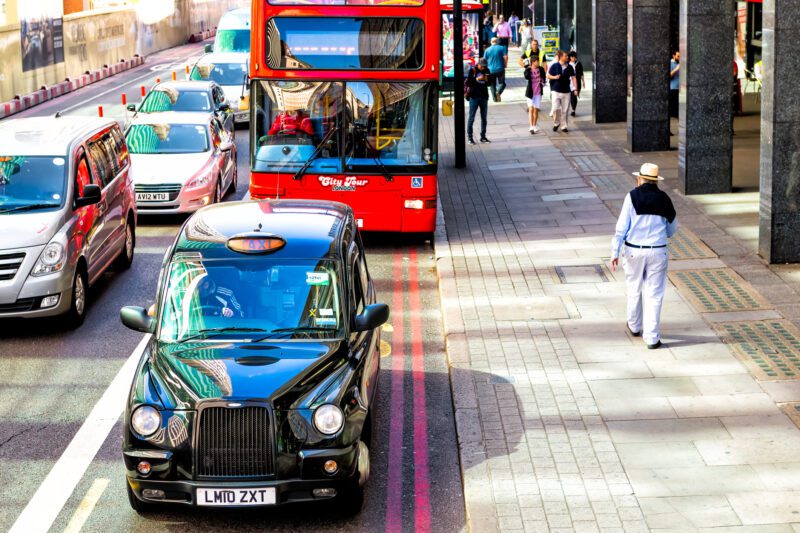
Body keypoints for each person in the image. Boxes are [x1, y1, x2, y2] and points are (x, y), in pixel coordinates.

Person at [610, 163, 677, 350]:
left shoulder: (631, 197)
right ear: (656, 181)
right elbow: (672, 228)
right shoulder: (665, 199)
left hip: (634, 251)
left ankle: (634, 325)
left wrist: (615, 251)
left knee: (634, 288)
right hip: (658, 250)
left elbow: (622, 227)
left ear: (639, 179)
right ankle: (652, 337)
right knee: (655, 294)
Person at [546, 50, 577, 132]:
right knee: (555, 108)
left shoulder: (569, 67)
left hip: (566, 91)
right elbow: (548, 75)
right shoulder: (554, 65)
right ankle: (556, 123)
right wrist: (555, 77)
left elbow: (574, 78)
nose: (567, 57)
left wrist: (575, 89)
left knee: (565, 110)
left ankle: (564, 126)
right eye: (565, 56)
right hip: (556, 90)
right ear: (560, 57)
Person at [465, 58, 491, 145]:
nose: (483, 68)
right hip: (474, 97)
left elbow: (489, 83)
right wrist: (477, 79)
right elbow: (468, 83)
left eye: (484, 66)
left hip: (484, 97)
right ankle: (470, 137)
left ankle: (483, 137)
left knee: (484, 118)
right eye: (482, 66)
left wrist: (487, 80)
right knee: (471, 118)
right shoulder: (472, 70)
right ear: (478, 64)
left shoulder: (487, 70)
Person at [523, 55, 545, 134]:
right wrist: (527, 68)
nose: (538, 62)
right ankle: (531, 126)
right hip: (530, 93)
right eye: (536, 61)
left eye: (538, 61)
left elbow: (544, 78)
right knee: (531, 109)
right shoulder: (528, 70)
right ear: (532, 62)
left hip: (538, 92)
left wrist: (542, 82)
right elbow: (526, 77)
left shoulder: (541, 69)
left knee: (536, 110)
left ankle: (534, 125)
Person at [483, 37, 508, 102]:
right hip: (500, 68)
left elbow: (484, 60)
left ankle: (495, 99)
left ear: (491, 42)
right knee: (502, 83)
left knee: (492, 84)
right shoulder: (501, 48)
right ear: (497, 42)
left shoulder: (487, 50)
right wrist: (505, 64)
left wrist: (485, 69)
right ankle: (498, 92)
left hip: (490, 70)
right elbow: (506, 57)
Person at [568, 51, 585, 117]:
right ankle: (572, 108)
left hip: (577, 82)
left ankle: (573, 110)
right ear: (570, 57)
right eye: (572, 57)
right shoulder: (567, 64)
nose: (574, 58)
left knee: (574, 96)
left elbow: (581, 73)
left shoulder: (578, 64)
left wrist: (583, 82)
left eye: (575, 57)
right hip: (569, 83)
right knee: (571, 97)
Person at [669, 50, 680, 119]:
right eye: (678, 56)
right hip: (673, 89)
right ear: (673, 56)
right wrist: (676, 69)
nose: (679, 58)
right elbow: (669, 75)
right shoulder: (671, 63)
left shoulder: (679, 63)